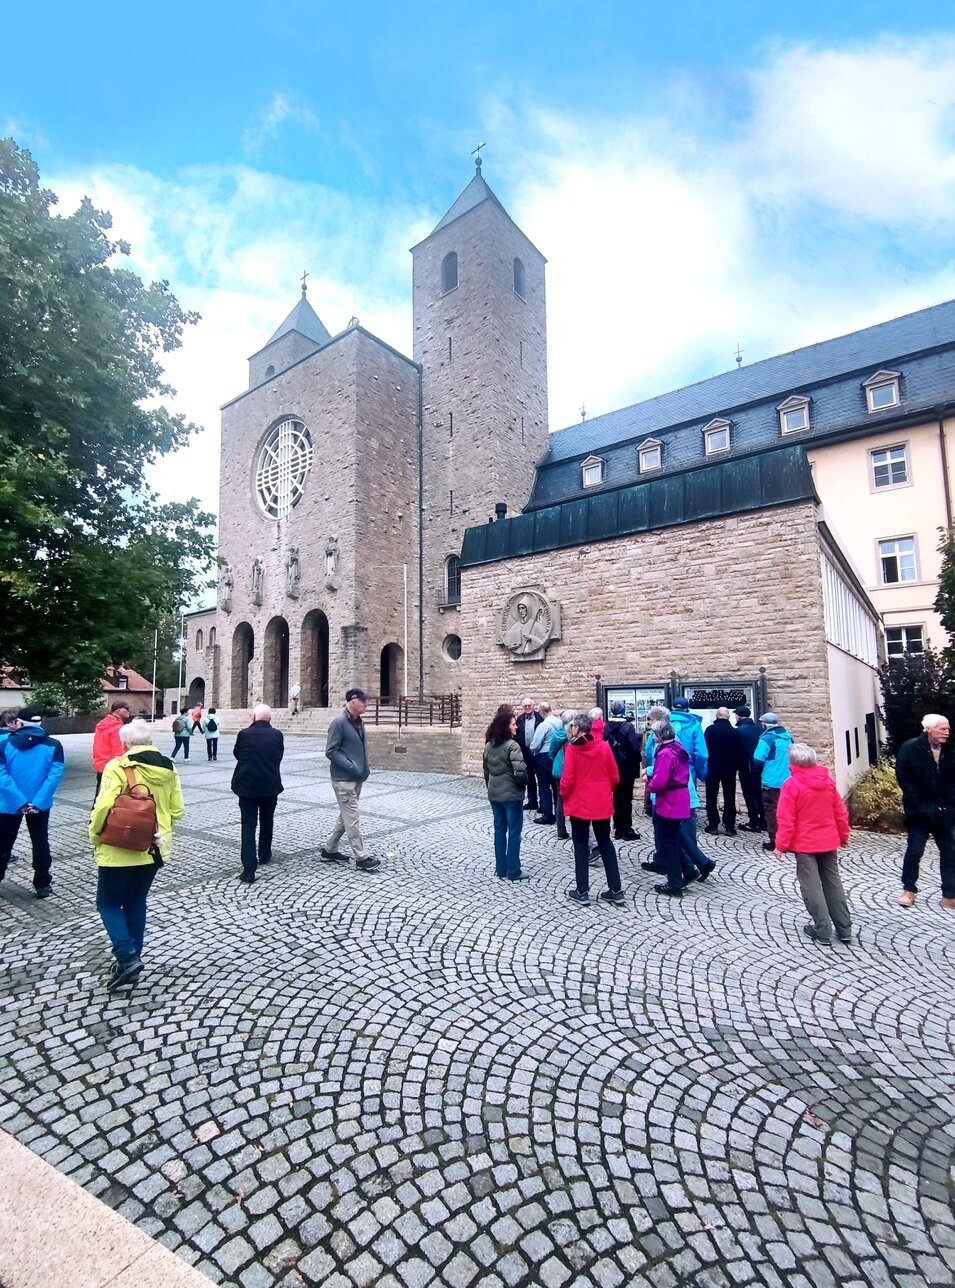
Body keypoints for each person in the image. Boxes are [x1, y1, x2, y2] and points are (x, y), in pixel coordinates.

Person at [89, 718, 184, 990]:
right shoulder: (169, 767)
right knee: (136, 902)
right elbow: (177, 810)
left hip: (119, 847)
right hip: (154, 847)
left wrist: (95, 834)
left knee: (108, 903)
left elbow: (104, 806)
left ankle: (127, 955)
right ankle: (133, 958)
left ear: (124, 743)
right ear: (150, 741)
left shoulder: (118, 766)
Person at [774, 743, 852, 945]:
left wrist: (780, 845)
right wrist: (843, 836)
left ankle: (822, 929)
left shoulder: (791, 785)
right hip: (828, 839)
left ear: (792, 763)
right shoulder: (828, 782)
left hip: (805, 843)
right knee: (833, 883)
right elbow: (840, 813)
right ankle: (844, 928)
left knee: (811, 886)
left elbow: (786, 819)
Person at [643, 700, 714, 884]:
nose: (649, 725)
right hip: (679, 787)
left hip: (671, 792)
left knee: (672, 831)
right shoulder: (685, 731)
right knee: (672, 830)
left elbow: (661, 765)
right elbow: (699, 755)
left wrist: (649, 775)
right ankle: (695, 864)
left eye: (650, 721)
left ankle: (683, 870)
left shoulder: (668, 743)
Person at [561, 712, 625, 905]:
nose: (570, 729)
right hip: (600, 802)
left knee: (580, 846)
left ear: (578, 729)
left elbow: (567, 780)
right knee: (605, 842)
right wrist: (604, 790)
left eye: (572, 726)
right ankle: (616, 888)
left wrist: (564, 795)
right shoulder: (604, 747)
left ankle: (582, 890)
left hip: (580, 802)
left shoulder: (572, 750)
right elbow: (615, 777)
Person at [0, 708, 64, 898]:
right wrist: (37, 803)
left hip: (9, 804)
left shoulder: (3, 743)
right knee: (40, 841)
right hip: (39, 805)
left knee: (3, 842)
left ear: (19, 722)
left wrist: (19, 801)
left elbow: (2, 776)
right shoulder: (54, 745)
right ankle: (42, 883)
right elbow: (54, 776)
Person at [894, 713, 955, 910]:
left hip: (944, 811)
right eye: (942, 728)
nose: (947, 732)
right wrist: (917, 803)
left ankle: (950, 894)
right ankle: (909, 890)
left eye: (947, 728)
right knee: (915, 851)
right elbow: (903, 777)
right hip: (919, 812)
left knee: (950, 852)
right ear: (928, 729)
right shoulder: (910, 748)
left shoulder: (950, 750)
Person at [322, 688, 380, 872]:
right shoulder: (339, 723)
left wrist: (363, 769)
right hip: (344, 779)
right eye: (363, 702)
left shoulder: (358, 722)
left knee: (345, 816)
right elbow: (331, 751)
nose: (366, 705)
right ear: (353, 702)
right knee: (352, 817)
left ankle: (329, 850)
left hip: (356, 777)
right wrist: (350, 766)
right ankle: (361, 856)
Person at [231, 704, 285, 883]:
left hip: (247, 786)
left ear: (253, 717)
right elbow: (279, 755)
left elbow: (237, 754)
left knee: (248, 825)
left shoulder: (244, 734)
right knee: (267, 820)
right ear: (270, 718)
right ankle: (264, 853)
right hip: (270, 785)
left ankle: (249, 869)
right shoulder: (277, 734)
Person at [645, 720, 691, 898]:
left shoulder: (665, 754)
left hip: (670, 799)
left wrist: (650, 785)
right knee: (674, 836)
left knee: (670, 841)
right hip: (679, 796)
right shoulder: (677, 748)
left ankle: (674, 883)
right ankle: (687, 869)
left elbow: (660, 780)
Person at [483, 705, 529, 881]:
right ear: (505, 726)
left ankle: (501, 868)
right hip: (511, 797)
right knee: (514, 832)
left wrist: (491, 788)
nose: (516, 726)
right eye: (513, 724)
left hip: (495, 795)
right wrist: (522, 785)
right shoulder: (512, 746)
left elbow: (486, 772)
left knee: (500, 831)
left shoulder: (489, 746)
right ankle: (513, 870)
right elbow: (520, 772)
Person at [753, 713, 793, 852]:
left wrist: (756, 774)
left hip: (771, 780)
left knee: (772, 811)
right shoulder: (788, 737)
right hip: (787, 780)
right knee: (787, 811)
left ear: (764, 724)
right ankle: (789, 839)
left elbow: (758, 759)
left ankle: (775, 841)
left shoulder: (767, 738)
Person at [604, 701, 642, 840]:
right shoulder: (627, 726)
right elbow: (634, 747)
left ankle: (617, 827)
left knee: (616, 797)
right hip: (626, 767)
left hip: (612, 766)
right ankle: (626, 828)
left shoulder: (606, 726)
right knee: (626, 799)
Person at [703, 707, 744, 836]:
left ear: (717, 716)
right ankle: (729, 826)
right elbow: (741, 752)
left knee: (711, 796)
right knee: (729, 796)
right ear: (728, 717)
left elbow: (704, 750)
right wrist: (737, 766)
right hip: (729, 768)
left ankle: (713, 824)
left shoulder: (710, 730)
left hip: (712, 767)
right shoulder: (735, 732)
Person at [734, 705, 766, 832]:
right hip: (759, 766)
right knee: (759, 794)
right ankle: (763, 820)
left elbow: (738, 750)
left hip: (746, 766)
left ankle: (753, 821)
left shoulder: (740, 730)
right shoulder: (759, 729)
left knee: (749, 794)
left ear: (739, 716)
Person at [529, 702, 561, 824]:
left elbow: (535, 744)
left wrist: (532, 751)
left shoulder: (543, 725)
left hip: (543, 757)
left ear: (542, 712)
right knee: (555, 785)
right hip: (556, 756)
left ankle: (547, 814)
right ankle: (559, 813)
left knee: (544, 786)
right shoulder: (559, 722)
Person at [93, 700, 132, 794]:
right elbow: (119, 751)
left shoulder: (103, 724)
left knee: (100, 797)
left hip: (101, 766)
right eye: (126, 708)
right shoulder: (118, 728)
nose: (129, 711)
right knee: (113, 799)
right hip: (113, 768)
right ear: (118, 710)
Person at [549, 710, 576, 840]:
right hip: (573, 770)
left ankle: (561, 830)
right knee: (574, 797)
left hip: (559, 770)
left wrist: (558, 761)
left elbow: (551, 752)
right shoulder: (575, 735)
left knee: (560, 800)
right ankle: (576, 827)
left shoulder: (557, 735)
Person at [514, 698, 542, 812]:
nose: (527, 707)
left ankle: (543, 803)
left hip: (538, 751)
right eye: (525, 706)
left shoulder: (540, 718)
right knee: (529, 777)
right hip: (526, 752)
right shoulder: (520, 719)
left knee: (541, 778)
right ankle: (532, 801)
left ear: (533, 705)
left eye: (529, 705)